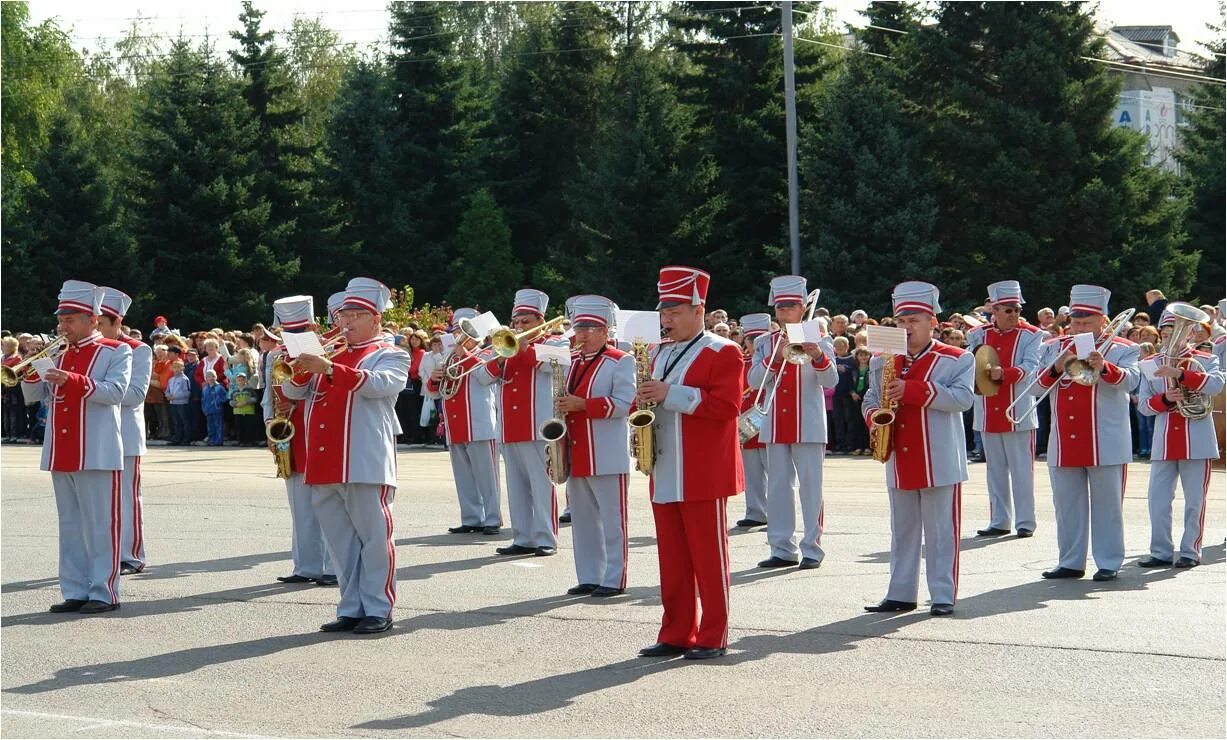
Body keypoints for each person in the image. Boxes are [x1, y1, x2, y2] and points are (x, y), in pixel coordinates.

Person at [282, 278, 408, 634]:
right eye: (343, 315)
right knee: (340, 543)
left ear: (376, 319)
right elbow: (292, 389)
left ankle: (379, 607)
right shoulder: (330, 352)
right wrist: (299, 365)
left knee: (374, 539)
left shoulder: (391, 353)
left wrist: (329, 368)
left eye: (355, 315)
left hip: (364, 460)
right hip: (324, 462)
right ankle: (351, 606)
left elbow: (380, 385)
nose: (346, 322)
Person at [636, 266, 743, 661]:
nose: (667, 319)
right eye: (664, 311)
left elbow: (728, 407)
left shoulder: (723, 350)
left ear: (700, 309)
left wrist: (670, 393)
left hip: (703, 470)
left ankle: (713, 634)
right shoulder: (659, 351)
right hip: (665, 467)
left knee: (709, 559)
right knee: (673, 558)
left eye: (676, 311)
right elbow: (647, 399)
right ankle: (677, 631)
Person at [861, 281, 972, 616]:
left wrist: (913, 390)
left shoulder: (957, 357)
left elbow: (963, 399)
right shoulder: (884, 358)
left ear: (933, 322)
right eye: (901, 321)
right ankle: (900, 593)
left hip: (939, 458)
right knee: (903, 531)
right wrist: (872, 417)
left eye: (914, 320)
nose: (906, 327)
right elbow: (870, 397)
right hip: (898, 456)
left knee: (941, 532)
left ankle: (942, 595)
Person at [24, 280, 133, 614]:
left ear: (92, 320)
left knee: (101, 524)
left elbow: (116, 393)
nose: (62, 325)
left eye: (70, 319)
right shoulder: (58, 353)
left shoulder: (117, 351)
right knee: (69, 524)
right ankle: (74, 589)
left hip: (96, 450)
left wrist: (71, 380)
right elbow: (32, 398)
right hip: (61, 449)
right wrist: (31, 371)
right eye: (61, 319)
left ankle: (104, 591)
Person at [1036, 285, 1139, 582]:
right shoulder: (1052, 346)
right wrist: (1055, 367)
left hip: (1104, 440)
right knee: (1066, 506)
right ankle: (1070, 561)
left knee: (1107, 506)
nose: (1079, 327)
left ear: (1102, 321)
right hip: (1064, 440)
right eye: (1076, 322)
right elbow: (1037, 388)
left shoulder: (1122, 347)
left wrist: (1105, 367)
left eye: (1087, 322)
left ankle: (1109, 561)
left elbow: (1132, 381)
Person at [747, 276, 836, 570]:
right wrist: (774, 358)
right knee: (778, 488)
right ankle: (782, 547)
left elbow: (831, 380)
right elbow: (753, 381)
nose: (784, 312)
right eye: (780, 307)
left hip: (808, 423)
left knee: (811, 488)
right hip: (774, 423)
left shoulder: (819, 337)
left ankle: (812, 547)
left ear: (802, 307)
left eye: (791, 307)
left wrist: (818, 355)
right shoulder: (765, 342)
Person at [557, 295, 635, 597]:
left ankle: (614, 578)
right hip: (576, 451)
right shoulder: (571, 361)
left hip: (606, 452)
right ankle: (589, 575)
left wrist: (583, 405)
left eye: (592, 326)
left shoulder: (621, 360)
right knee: (584, 521)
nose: (584, 333)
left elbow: (625, 404)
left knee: (613, 521)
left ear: (606, 331)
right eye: (580, 326)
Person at [1136, 306, 1224, 569]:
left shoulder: (1205, 359)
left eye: (1175, 331)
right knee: (1158, 499)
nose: (1168, 336)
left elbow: (1217, 385)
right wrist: (1164, 399)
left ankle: (1190, 551)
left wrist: (1181, 375)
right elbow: (1143, 406)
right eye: (1165, 331)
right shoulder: (1150, 364)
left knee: (1195, 500)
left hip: (1197, 439)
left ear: (1189, 333)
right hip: (1164, 440)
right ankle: (1161, 551)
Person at [485, 289, 565, 557]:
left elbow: (551, 366)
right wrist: (500, 355)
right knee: (517, 488)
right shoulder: (505, 348)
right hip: (509, 428)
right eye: (516, 322)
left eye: (525, 322)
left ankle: (546, 538)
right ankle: (523, 537)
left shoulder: (555, 342)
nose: (519, 327)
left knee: (542, 486)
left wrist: (523, 346)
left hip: (538, 427)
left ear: (540, 320)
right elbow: (483, 376)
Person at [264, 295, 335, 587]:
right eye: (289, 332)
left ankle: (333, 566)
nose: (293, 338)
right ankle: (306, 565)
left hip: (319, 430)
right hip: (289, 431)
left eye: (300, 330)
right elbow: (268, 395)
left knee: (330, 504)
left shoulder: (327, 351)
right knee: (299, 504)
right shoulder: (274, 355)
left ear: (313, 325)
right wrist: (269, 425)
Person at [965, 281, 1045, 540]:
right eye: (1008, 310)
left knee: (1022, 470)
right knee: (995, 470)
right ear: (994, 310)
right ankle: (999, 520)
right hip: (988, 410)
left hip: (1017, 410)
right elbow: (969, 362)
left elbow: (1032, 367)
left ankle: (1025, 521)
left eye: (1016, 310)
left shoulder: (1032, 334)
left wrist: (1005, 373)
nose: (1013, 314)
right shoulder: (978, 334)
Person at [428, 308, 502, 536]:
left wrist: (465, 357)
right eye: (457, 331)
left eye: (464, 331)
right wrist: (433, 378)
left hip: (479, 424)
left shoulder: (487, 354)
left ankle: (492, 518)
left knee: (487, 477)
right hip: (455, 425)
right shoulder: (448, 358)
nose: (459, 336)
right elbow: (434, 392)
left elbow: (485, 377)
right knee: (463, 477)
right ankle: (471, 518)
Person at [98, 287, 151, 574]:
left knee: (128, 500)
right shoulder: (89, 348)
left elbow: (136, 394)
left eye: (102, 323)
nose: (97, 328)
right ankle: (106, 554)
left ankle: (131, 555)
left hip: (126, 435)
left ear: (117, 323)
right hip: (96, 434)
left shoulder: (138, 349)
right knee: (101, 501)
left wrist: (94, 388)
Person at [736, 313, 771, 527]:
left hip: (768, 420)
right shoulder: (739, 360)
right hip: (746, 421)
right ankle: (756, 511)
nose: (755, 343)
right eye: (752, 339)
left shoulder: (776, 359)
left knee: (776, 474)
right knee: (752, 473)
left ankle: (777, 513)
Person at [229, 373, 260, 445]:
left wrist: (246, 402)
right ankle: (241, 441)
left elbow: (255, 399)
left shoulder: (250, 389)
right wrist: (236, 404)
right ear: (236, 381)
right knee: (240, 427)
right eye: (239, 380)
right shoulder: (234, 391)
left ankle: (249, 441)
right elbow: (231, 401)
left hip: (248, 412)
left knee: (249, 427)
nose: (240, 381)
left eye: (242, 380)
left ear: (246, 380)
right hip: (238, 412)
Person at [200, 370, 227, 446]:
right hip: (208, 411)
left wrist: (218, 401)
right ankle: (211, 440)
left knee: (218, 425)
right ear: (206, 378)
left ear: (216, 377)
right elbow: (203, 400)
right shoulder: (205, 389)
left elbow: (225, 397)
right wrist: (204, 408)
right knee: (210, 427)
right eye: (209, 376)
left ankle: (218, 441)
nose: (211, 378)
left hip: (217, 410)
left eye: (213, 376)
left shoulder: (219, 387)